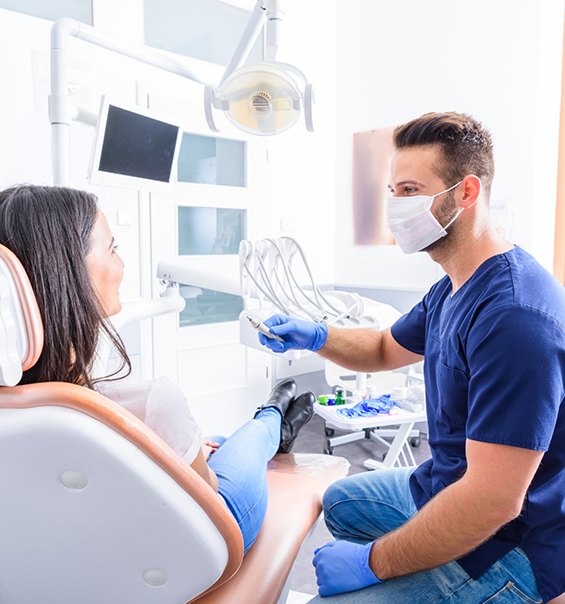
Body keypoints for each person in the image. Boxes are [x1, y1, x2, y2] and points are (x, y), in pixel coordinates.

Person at [258, 112, 565, 603]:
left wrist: (372, 563)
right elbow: (383, 347)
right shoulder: (452, 287)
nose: (394, 207)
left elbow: (493, 499)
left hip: (510, 544)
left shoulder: (515, 316)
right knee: (339, 504)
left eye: (409, 191)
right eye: (393, 192)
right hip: (445, 484)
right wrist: (314, 336)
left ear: (466, 193)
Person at [0, 183, 315, 556]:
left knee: (212, 441)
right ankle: (273, 418)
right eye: (113, 248)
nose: (122, 262)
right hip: (193, 555)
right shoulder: (151, 403)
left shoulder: (19, 410)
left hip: (66, 562)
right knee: (246, 441)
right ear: (66, 273)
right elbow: (208, 503)